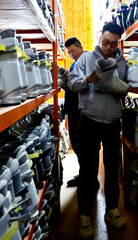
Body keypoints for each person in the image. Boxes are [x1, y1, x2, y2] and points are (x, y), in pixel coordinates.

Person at [68, 22, 128, 239]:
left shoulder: (122, 62)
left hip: (112, 122)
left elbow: (125, 88)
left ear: (118, 42)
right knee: (88, 170)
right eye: (105, 42)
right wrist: (86, 80)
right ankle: (84, 215)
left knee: (112, 168)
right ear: (99, 38)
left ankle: (112, 210)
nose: (109, 47)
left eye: (114, 43)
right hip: (90, 121)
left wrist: (120, 89)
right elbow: (72, 84)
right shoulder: (85, 59)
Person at [63, 37, 85, 187]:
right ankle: (85, 175)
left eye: (73, 51)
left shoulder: (86, 62)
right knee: (77, 145)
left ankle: (88, 178)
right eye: (69, 53)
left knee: (81, 145)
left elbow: (80, 87)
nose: (71, 54)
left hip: (80, 111)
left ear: (80, 47)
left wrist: (66, 84)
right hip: (74, 110)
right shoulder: (75, 64)